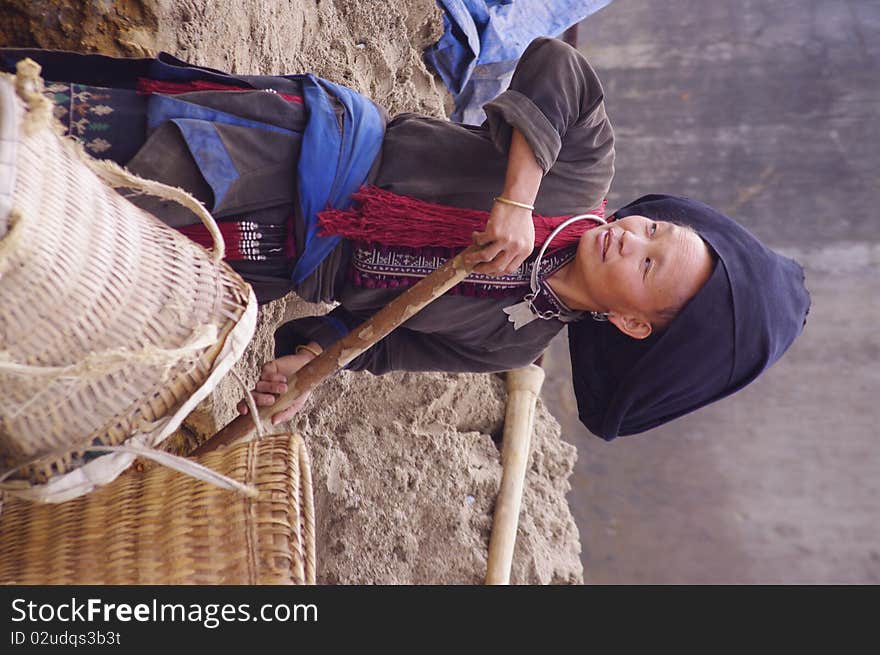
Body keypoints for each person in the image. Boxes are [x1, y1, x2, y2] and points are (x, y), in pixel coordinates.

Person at [1, 38, 810, 440]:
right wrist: (518, 196)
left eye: (649, 261)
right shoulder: (578, 174)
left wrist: (311, 363)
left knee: (81, 251)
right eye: (655, 227)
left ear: (635, 323)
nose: (632, 234)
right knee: (61, 145)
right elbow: (557, 66)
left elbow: (377, 341)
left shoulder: (508, 345)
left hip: (278, 257)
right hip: (294, 152)